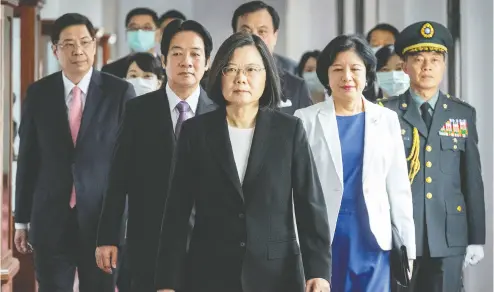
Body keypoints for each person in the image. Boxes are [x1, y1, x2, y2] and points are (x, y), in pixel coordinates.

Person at [155, 32, 331, 292]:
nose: (241, 78)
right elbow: (177, 211)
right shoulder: (196, 132)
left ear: (266, 75)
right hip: (209, 273)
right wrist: (167, 282)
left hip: (276, 273)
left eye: (251, 69)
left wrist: (318, 271)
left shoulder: (289, 131)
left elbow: (310, 204)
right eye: (231, 69)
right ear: (219, 75)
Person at [13, 13, 135, 292]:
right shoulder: (39, 94)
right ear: (55, 50)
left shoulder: (120, 93)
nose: (77, 50)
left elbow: (129, 165)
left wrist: (123, 225)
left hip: (101, 221)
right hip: (51, 219)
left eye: (84, 42)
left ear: (94, 45)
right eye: (68, 44)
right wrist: (21, 219)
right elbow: (28, 159)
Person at [95, 19, 217, 292]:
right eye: (176, 53)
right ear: (163, 59)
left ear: (208, 61)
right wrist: (107, 237)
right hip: (149, 242)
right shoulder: (139, 111)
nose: (186, 61)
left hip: (206, 247)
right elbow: (117, 178)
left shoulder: (220, 115)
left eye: (195, 54)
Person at [294, 34, 415, 292]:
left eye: (355, 69)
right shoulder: (304, 120)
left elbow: (399, 189)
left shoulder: (386, 120)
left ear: (368, 74)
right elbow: (296, 189)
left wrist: (408, 247)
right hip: (323, 241)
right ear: (326, 75)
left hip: (372, 241)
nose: (346, 77)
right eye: (337, 69)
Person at [381, 21, 485, 292]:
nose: (427, 66)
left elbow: (471, 179)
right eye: (418, 59)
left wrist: (477, 237)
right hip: (401, 235)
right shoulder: (385, 112)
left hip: (450, 235)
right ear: (404, 66)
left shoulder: (462, 113)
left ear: (443, 66)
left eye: (435, 60)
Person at [232, 0, 312, 115]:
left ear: (275, 36)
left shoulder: (296, 87)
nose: (254, 38)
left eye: (262, 31)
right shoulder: (221, 81)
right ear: (234, 36)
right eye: (245, 31)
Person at [102, 8, 161, 78]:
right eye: (134, 28)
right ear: (127, 34)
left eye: (147, 28)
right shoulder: (109, 71)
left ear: (158, 34)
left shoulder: (169, 69)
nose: (140, 33)